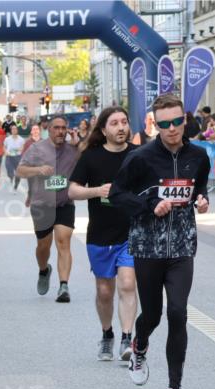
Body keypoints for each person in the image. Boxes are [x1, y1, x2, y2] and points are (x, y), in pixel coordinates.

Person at [109, 94, 210, 389]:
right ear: (155, 124)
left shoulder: (199, 155)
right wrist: (150, 205)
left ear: (185, 120)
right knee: (152, 315)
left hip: (182, 248)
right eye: (164, 124)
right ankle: (139, 345)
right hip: (148, 248)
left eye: (177, 122)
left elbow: (200, 188)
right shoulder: (141, 157)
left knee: (178, 313)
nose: (171, 129)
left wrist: (202, 200)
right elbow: (116, 195)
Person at [69, 106, 138, 361]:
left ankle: (127, 338)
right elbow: (72, 191)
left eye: (124, 122)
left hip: (131, 232)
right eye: (114, 123)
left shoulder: (138, 154)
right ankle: (107, 333)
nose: (121, 127)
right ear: (103, 129)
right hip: (100, 234)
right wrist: (97, 191)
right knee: (104, 291)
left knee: (128, 284)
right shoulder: (91, 157)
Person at [16, 116, 80, 303]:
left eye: (63, 128)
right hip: (42, 205)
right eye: (56, 128)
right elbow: (20, 170)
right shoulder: (37, 149)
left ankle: (64, 286)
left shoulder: (73, 149)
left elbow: (92, 151)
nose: (60, 131)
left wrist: (79, 143)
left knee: (63, 242)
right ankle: (44, 270)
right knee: (43, 246)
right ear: (49, 129)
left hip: (64, 203)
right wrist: (38, 170)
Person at [3, 124, 25, 190]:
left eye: (15, 129)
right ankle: (11, 179)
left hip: (18, 157)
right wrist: (5, 152)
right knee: (10, 172)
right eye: (13, 129)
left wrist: (20, 149)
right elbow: (4, 147)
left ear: (17, 130)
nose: (14, 130)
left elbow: (22, 147)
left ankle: (16, 185)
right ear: (11, 130)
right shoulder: (7, 139)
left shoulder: (21, 139)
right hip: (9, 157)